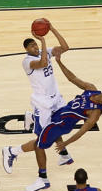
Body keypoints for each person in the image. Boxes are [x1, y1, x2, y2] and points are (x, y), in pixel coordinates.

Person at [3, 51, 102, 191]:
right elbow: (73, 78)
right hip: (59, 113)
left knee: (39, 145)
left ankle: (25, 162)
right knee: (46, 110)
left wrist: (66, 143)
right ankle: (60, 151)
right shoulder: (91, 89)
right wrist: (59, 62)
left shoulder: (95, 113)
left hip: (60, 125)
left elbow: (82, 131)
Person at [18, 26, 74, 176]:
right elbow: (43, 63)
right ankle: (55, 160)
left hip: (55, 97)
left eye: (35, 44)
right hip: (42, 102)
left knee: (60, 124)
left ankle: (63, 154)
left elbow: (65, 47)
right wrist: (42, 39)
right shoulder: (27, 62)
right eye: (32, 46)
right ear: (26, 49)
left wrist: (52, 29)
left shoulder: (45, 51)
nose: (35, 47)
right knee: (44, 134)